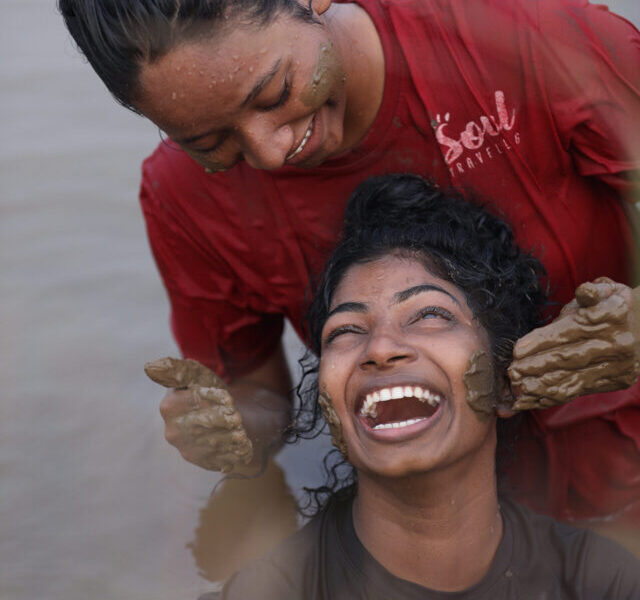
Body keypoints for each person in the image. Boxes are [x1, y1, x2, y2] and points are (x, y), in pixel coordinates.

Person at [58, 0, 640, 521]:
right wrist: (235, 430)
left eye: (274, 95)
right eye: (211, 144)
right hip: (437, 506)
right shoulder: (183, 199)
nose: (269, 153)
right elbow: (260, 399)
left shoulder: (532, 41)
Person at [215, 173, 640, 599]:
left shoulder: (600, 580)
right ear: (329, 403)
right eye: (345, 330)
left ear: (508, 382)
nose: (379, 348)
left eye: (429, 315)